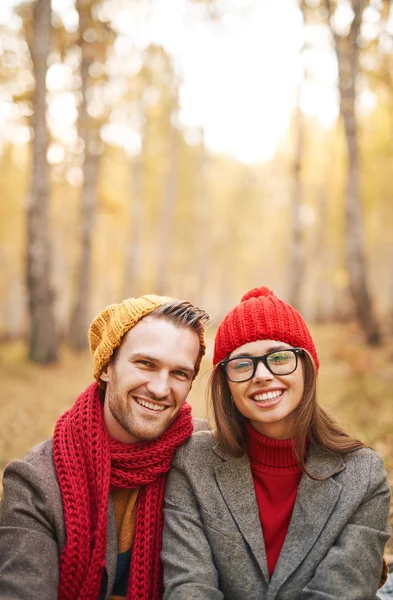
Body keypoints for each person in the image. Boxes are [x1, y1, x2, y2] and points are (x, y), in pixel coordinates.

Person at [162, 286, 391, 600]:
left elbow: (338, 593)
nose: (262, 375)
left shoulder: (363, 475)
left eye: (280, 358)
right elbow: (189, 589)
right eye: (242, 364)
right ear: (225, 384)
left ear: (307, 366)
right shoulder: (192, 463)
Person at [0, 294, 210, 600]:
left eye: (179, 373)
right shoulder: (36, 481)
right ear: (106, 367)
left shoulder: (207, 456)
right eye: (146, 364)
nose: (161, 388)